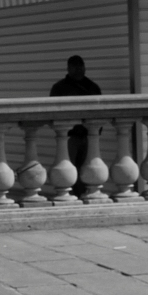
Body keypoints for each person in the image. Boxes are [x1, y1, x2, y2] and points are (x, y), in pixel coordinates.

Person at [50, 55, 101, 195]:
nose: (78, 70)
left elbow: (100, 113)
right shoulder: (59, 89)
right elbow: (53, 113)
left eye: (81, 66)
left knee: (88, 168)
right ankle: (70, 195)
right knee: (69, 169)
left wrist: (97, 133)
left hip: (89, 136)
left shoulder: (92, 88)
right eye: (75, 67)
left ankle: (86, 195)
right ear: (68, 68)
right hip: (69, 137)